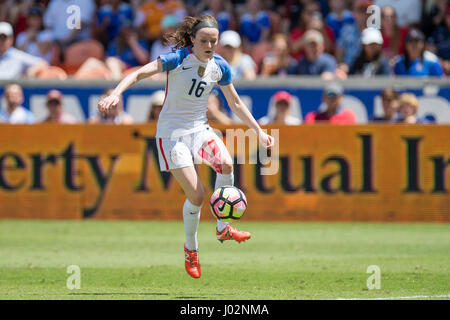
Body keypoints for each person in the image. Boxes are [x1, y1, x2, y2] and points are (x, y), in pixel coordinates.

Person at [98, 15, 274, 279]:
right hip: (172, 135)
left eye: (213, 41)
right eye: (204, 40)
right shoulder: (178, 59)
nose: (209, 45)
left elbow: (235, 103)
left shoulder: (220, 66)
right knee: (197, 196)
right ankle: (191, 250)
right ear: (192, 39)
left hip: (199, 130)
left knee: (226, 163)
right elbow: (138, 73)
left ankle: (222, 227)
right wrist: (115, 93)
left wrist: (258, 131)